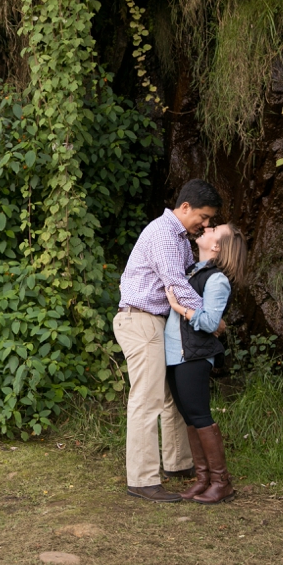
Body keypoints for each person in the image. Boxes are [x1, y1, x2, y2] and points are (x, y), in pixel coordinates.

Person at [114, 179, 223, 503]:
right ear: (185, 207)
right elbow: (175, 282)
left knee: (169, 399)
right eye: (203, 217)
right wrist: (208, 317)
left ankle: (178, 464)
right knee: (146, 400)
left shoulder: (180, 238)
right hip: (141, 319)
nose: (204, 225)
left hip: (159, 323)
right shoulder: (162, 232)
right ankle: (142, 479)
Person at [165, 222, 248, 504]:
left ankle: (221, 482)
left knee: (200, 416)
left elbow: (211, 322)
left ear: (217, 247)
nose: (207, 228)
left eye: (215, 229)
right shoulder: (191, 273)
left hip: (195, 355)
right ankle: (203, 479)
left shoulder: (217, 280)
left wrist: (179, 308)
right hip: (177, 354)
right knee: (190, 417)